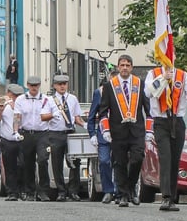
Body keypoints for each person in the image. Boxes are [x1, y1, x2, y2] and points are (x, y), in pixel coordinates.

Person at [99, 54, 152, 208]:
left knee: (137, 159)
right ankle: (123, 194)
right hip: (117, 131)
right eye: (122, 65)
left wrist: (149, 131)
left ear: (132, 67)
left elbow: (149, 110)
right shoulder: (110, 86)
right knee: (119, 163)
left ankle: (131, 188)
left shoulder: (140, 84)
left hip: (137, 131)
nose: (124, 68)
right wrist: (106, 130)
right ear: (117, 67)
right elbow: (103, 111)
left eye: (127, 65)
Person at [144, 64, 187, 211]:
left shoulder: (182, 75)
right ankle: (166, 197)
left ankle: (172, 197)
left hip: (177, 121)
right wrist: (163, 79)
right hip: (161, 121)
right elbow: (148, 93)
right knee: (165, 157)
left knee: (175, 159)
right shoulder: (153, 73)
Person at [13, 75, 60, 201]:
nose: (34, 88)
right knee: (27, 163)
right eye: (32, 85)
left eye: (36, 85)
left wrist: (52, 115)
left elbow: (53, 113)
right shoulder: (21, 100)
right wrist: (15, 131)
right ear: (28, 86)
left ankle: (43, 191)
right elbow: (17, 116)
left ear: (39, 86)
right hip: (27, 133)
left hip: (42, 133)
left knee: (43, 160)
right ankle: (30, 191)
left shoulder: (46, 99)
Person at [47, 74, 85, 202]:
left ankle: (74, 191)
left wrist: (85, 125)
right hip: (56, 133)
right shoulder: (50, 100)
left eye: (64, 84)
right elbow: (43, 116)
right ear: (54, 86)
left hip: (70, 132)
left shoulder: (72, 98)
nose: (62, 86)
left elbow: (76, 117)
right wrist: (53, 115)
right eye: (59, 84)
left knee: (75, 162)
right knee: (57, 163)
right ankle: (61, 191)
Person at [87, 75, 118, 204]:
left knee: (119, 162)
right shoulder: (99, 92)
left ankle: (118, 190)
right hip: (103, 132)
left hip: (119, 133)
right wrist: (92, 133)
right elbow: (92, 114)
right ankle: (108, 190)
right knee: (104, 161)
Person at [0, 84, 25, 201]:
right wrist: (0, 110)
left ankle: (23, 190)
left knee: (23, 165)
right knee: (9, 167)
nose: (17, 98)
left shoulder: (24, 106)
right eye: (15, 95)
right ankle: (12, 192)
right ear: (9, 94)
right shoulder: (5, 106)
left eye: (19, 95)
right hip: (7, 140)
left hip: (22, 139)